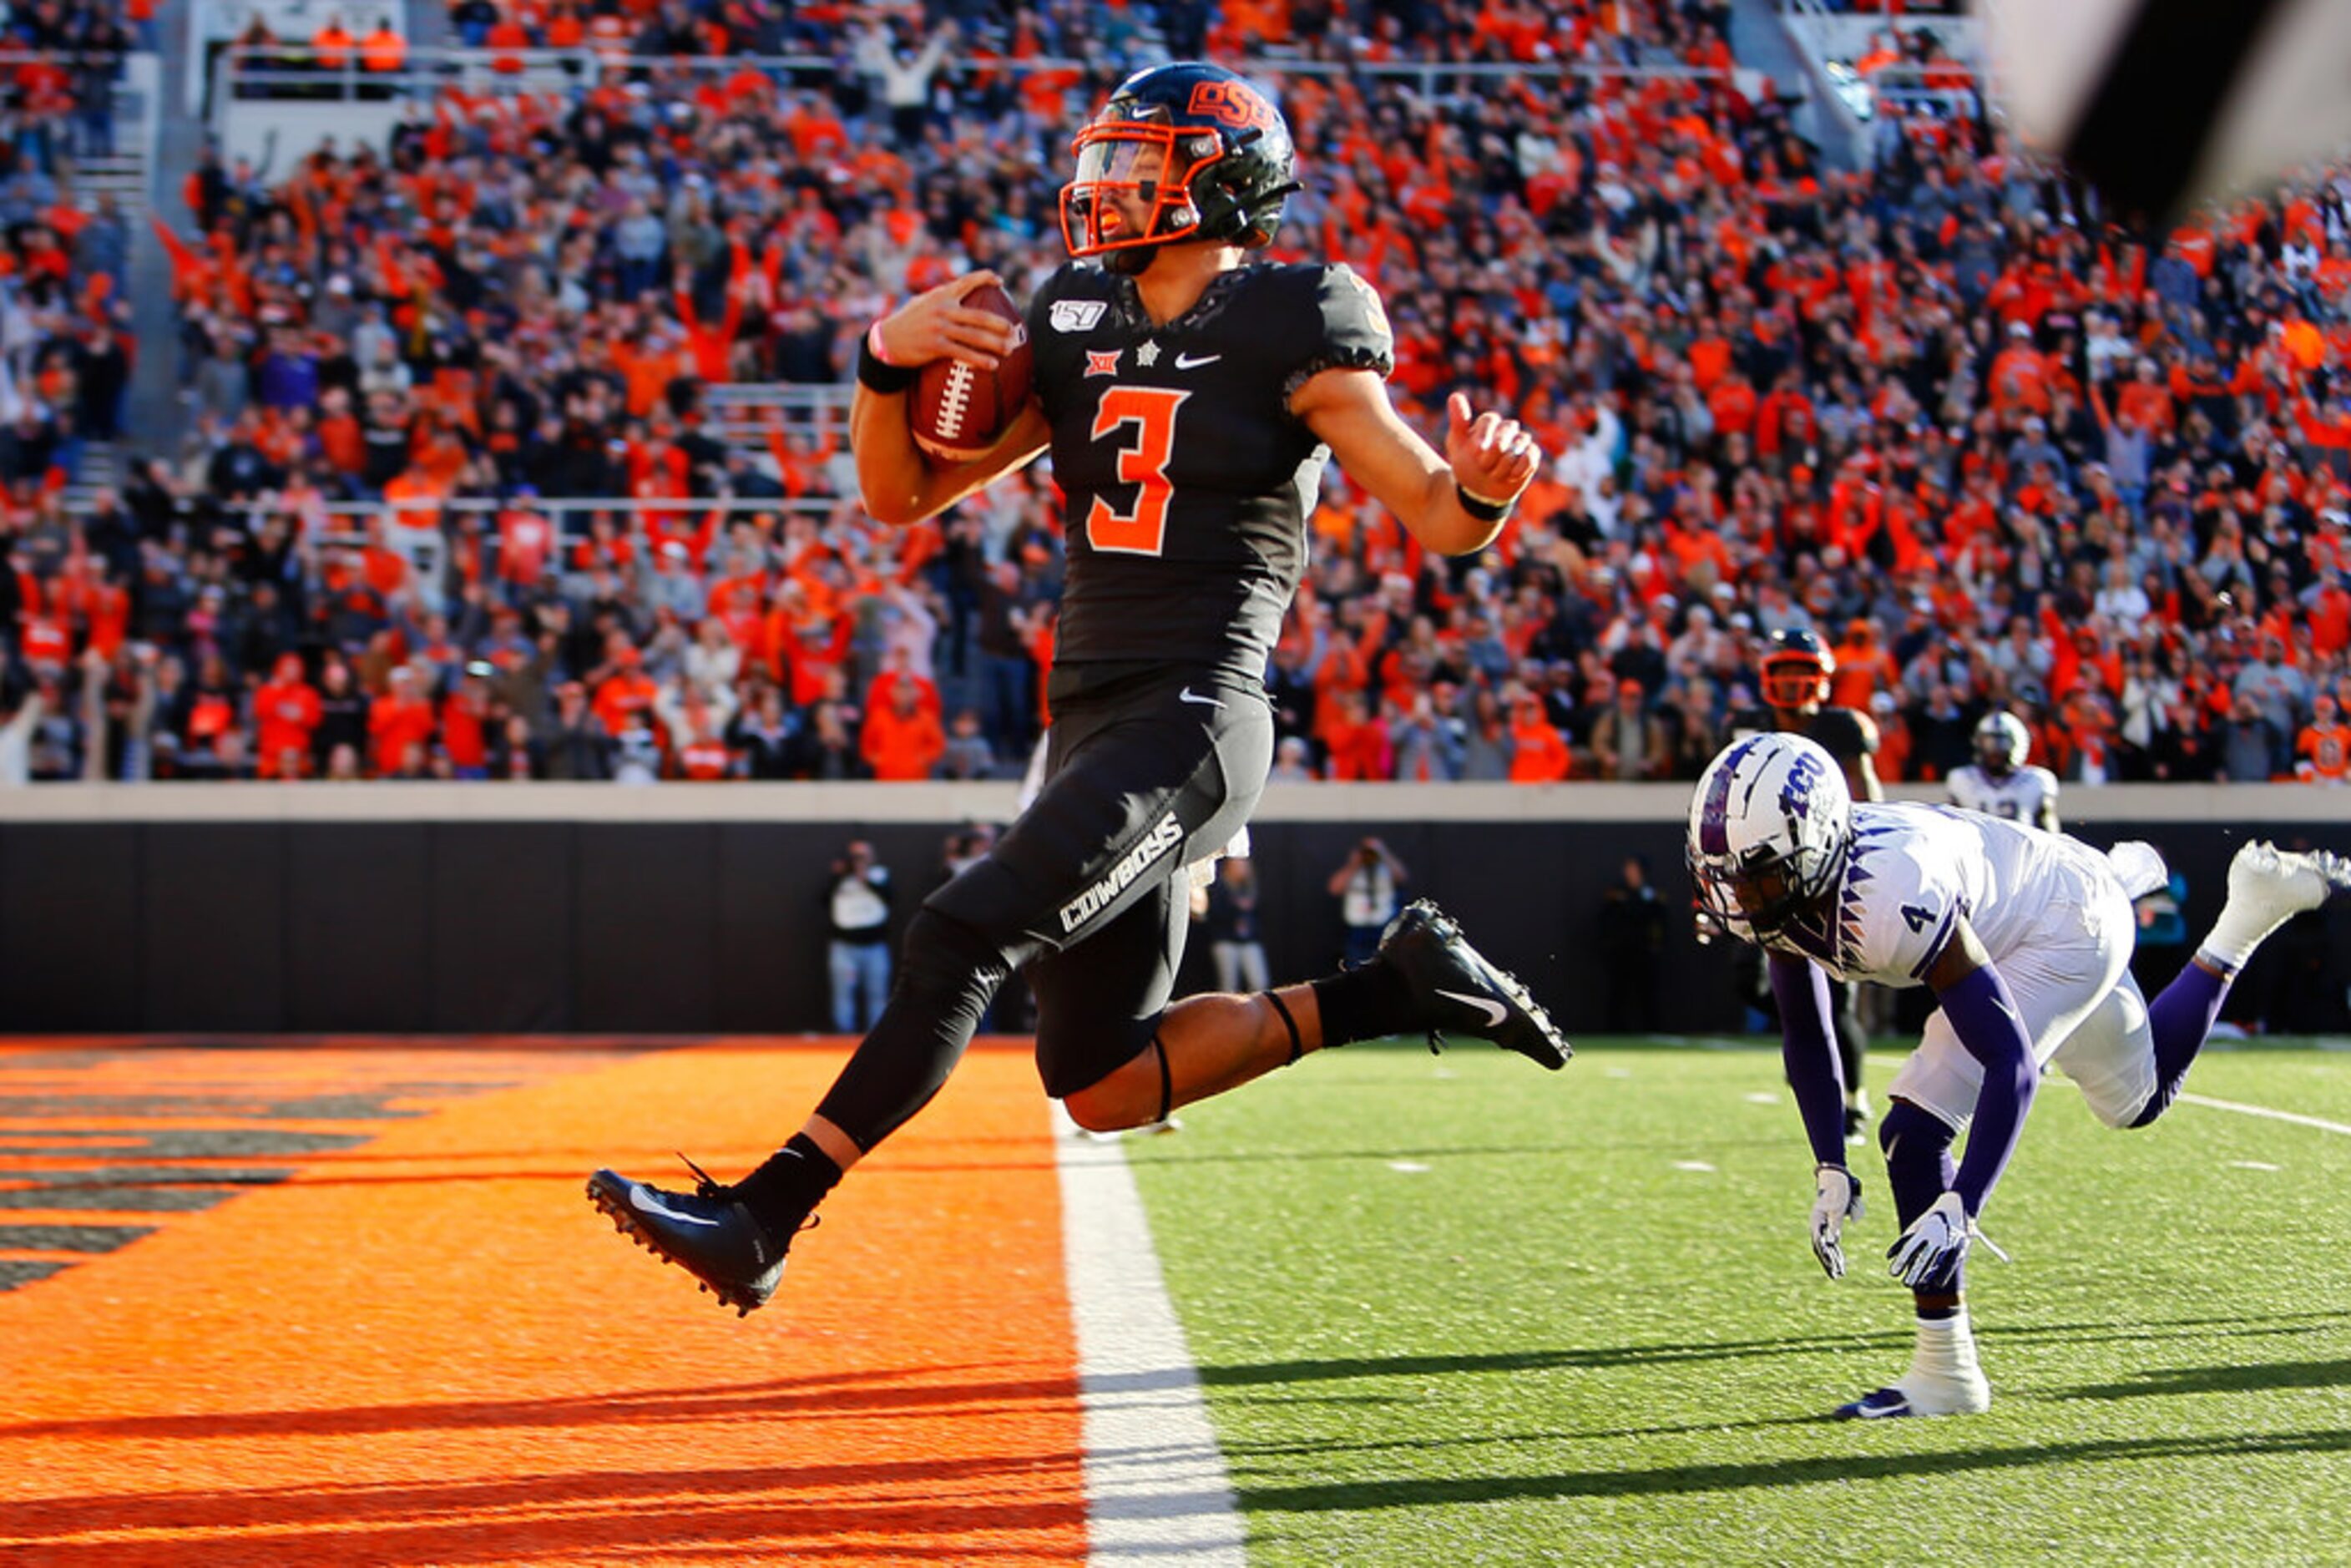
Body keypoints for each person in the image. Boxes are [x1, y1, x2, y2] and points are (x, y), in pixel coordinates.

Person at [589, 61, 1570, 1316]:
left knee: (957, 932)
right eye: (1108, 160)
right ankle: (1394, 985)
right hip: (1093, 712)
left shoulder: (1300, 317)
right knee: (1102, 1081)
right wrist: (883, 362)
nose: (1105, 186)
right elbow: (902, 493)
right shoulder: (1072, 312)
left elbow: (1439, 513)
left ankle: (763, 1211)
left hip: (1201, 710)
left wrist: (1485, 484)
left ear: (1220, 181)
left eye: (1138, 162)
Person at [1687, 732, 2348, 1419]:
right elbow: (1805, 1028)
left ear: (1817, 844)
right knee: (2135, 1102)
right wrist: (1828, 1162)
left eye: (1754, 875)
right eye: (1722, 874)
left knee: (1915, 1129)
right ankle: (2244, 916)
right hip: (2033, 897)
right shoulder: (1788, 884)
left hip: (2065, 927)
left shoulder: (1890, 893)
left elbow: (2010, 1061)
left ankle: (1945, 1375)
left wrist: (1963, 1203)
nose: (1736, 897)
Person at [1726, 626, 1881, 1139]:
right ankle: (1807, 1045)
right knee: (1750, 981)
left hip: (1830, 870)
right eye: (1784, 672)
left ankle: (1854, 1100)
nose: (1793, 684)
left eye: (1802, 673)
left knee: (1839, 999)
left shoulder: (1841, 727)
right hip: (1766, 873)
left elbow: (1868, 797)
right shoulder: (1747, 726)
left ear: (1822, 679)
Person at [1948, 711, 2060, 830]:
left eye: (2002, 743)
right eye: (1989, 743)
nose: (1995, 750)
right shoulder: (1962, 779)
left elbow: (2051, 834)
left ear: (2017, 742)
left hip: (2020, 847)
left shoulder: (2037, 780)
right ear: (1979, 743)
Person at [825, 840, 893, 1033]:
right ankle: (843, 1036)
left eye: (863, 856)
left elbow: (890, 898)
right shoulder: (840, 879)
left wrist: (865, 878)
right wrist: (839, 875)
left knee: (877, 994)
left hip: (874, 946)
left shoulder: (880, 875)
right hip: (845, 946)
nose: (858, 860)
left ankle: (878, 1037)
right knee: (843, 995)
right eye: (854, 856)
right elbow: (824, 899)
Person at [1596, 854, 1666, 1033]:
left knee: (1647, 993)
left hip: (1643, 952)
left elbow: (1659, 921)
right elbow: (1607, 920)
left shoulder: (1651, 895)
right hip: (1621, 952)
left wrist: (1656, 944)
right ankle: (1614, 1030)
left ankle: (1652, 1029)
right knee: (1618, 993)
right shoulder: (1616, 894)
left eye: (1633, 868)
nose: (1629, 872)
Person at [1329, 836, 1408, 966]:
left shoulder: (1386, 869)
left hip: (1383, 926)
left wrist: (1383, 853)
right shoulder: (1352, 872)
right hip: (1357, 929)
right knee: (1356, 967)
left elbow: (1402, 878)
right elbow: (1335, 888)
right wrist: (1354, 863)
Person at [1200, 857, 1268, 996]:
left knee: (1260, 983)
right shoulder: (1219, 887)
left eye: (1243, 865)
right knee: (1228, 986)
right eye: (1237, 865)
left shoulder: (1251, 887)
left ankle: (1257, 1015)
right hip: (1225, 940)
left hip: (1249, 940)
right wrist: (1236, 908)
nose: (1240, 869)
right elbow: (1212, 912)